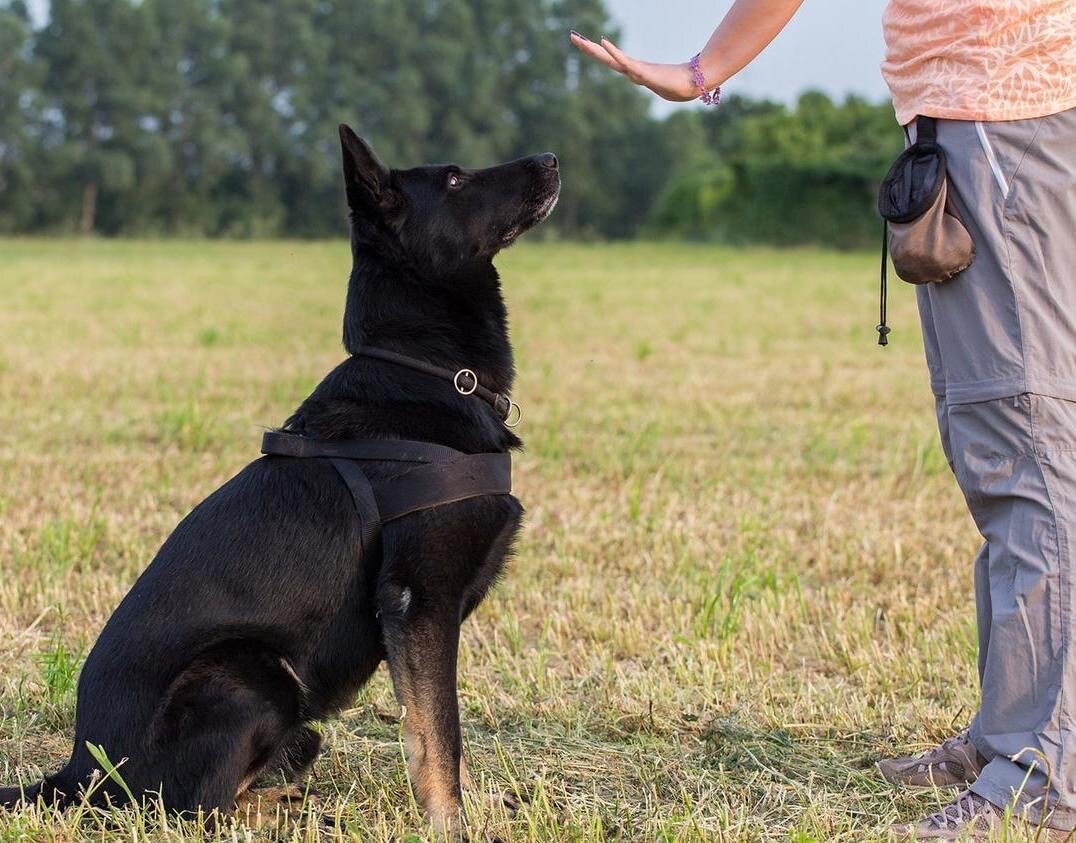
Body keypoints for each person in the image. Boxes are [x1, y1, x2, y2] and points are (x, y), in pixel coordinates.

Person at [572, 1, 1076, 839]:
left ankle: (1043, 770)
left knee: (1030, 453)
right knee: (993, 450)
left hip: (1007, 120)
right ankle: (1007, 734)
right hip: (968, 122)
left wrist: (704, 71)